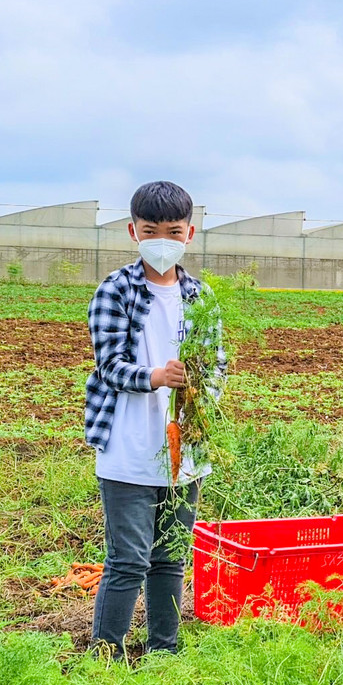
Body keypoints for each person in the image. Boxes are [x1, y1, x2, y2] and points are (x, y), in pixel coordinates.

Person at [84, 180, 226, 658]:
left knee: (169, 558)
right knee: (127, 560)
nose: (162, 240)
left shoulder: (200, 296)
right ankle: (105, 654)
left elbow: (216, 363)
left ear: (189, 233)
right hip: (127, 446)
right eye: (151, 230)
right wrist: (157, 375)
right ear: (133, 232)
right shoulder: (115, 290)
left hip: (184, 452)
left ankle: (164, 650)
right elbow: (109, 365)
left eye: (173, 230)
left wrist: (203, 388)